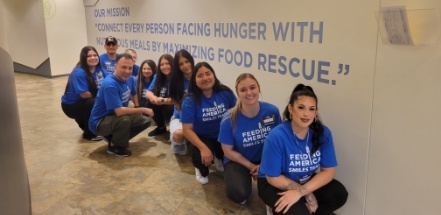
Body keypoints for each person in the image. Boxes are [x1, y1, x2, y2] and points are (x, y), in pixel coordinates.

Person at [257, 84, 348, 215]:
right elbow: (273, 178)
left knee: (338, 194)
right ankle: (275, 209)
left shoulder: (323, 133)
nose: (306, 114)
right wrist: (308, 194)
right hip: (273, 183)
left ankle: (305, 209)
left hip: (304, 180)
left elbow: (328, 172)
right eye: (301, 107)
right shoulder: (276, 136)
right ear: (290, 109)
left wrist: (300, 192)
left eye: (311, 109)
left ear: (316, 113)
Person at [218, 73, 282, 205]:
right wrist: (252, 166)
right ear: (237, 93)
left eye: (252, 87)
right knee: (239, 194)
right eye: (243, 90)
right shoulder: (229, 119)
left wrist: (263, 167)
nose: (249, 93)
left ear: (259, 88)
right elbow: (228, 151)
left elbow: (279, 142)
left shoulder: (272, 112)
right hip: (238, 160)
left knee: (278, 189)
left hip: (266, 159)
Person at [181, 62, 236, 184]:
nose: (205, 78)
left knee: (230, 161)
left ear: (214, 76)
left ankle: (218, 156)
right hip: (202, 137)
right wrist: (203, 148)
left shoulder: (225, 93)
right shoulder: (190, 100)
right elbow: (187, 130)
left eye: (208, 73)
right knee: (203, 164)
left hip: (223, 136)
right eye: (200, 76)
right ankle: (200, 167)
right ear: (194, 80)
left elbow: (236, 113)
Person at [89, 53, 154, 157]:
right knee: (124, 120)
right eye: (123, 67)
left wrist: (137, 107)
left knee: (145, 121)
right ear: (115, 67)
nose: (127, 71)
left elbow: (133, 93)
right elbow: (119, 111)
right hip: (99, 122)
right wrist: (143, 109)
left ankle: (114, 139)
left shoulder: (130, 79)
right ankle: (116, 147)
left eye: (130, 68)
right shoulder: (110, 84)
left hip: (114, 118)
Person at [61, 46, 106, 141]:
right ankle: (89, 134)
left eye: (95, 55)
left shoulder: (98, 69)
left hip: (83, 102)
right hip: (71, 106)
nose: (93, 58)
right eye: (89, 56)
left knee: (97, 101)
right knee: (95, 102)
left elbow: (108, 80)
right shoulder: (79, 72)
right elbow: (84, 94)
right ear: (83, 58)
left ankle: (84, 123)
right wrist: (102, 96)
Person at [168, 49, 194, 155]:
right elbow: (178, 106)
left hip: (200, 116)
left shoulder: (200, 78)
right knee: (179, 134)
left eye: (187, 61)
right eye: (181, 64)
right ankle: (177, 143)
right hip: (180, 117)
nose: (185, 66)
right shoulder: (175, 82)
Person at [145, 54, 174, 136]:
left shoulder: (177, 77)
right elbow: (148, 92)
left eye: (167, 63)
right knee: (149, 103)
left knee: (168, 109)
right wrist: (153, 98)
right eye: (161, 64)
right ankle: (161, 127)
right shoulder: (158, 76)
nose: (164, 66)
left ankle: (174, 129)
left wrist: (162, 100)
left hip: (173, 105)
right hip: (161, 102)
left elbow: (179, 99)